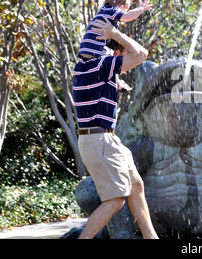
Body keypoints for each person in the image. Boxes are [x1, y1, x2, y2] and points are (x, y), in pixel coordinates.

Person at [73, 16, 159, 239]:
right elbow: (141, 54)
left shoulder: (94, 68)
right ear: (116, 52)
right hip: (99, 140)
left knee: (136, 186)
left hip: (107, 139)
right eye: (122, 54)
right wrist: (115, 33)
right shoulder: (99, 65)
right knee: (116, 200)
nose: (125, 63)